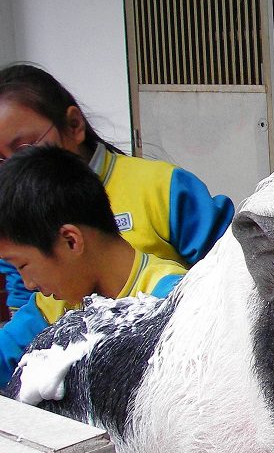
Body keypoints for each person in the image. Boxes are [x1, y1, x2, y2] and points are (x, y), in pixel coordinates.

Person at [0, 63, 233, 313]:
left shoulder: (160, 187)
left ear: (74, 125)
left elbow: (232, 271)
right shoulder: (17, 219)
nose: (13, 167)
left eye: (24, 147)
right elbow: (26, 309)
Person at [0, 147, 188, 386]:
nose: (28, 284)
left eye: (23, 265)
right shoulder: (51, 308)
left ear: (71, 240)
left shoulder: (171, 302)